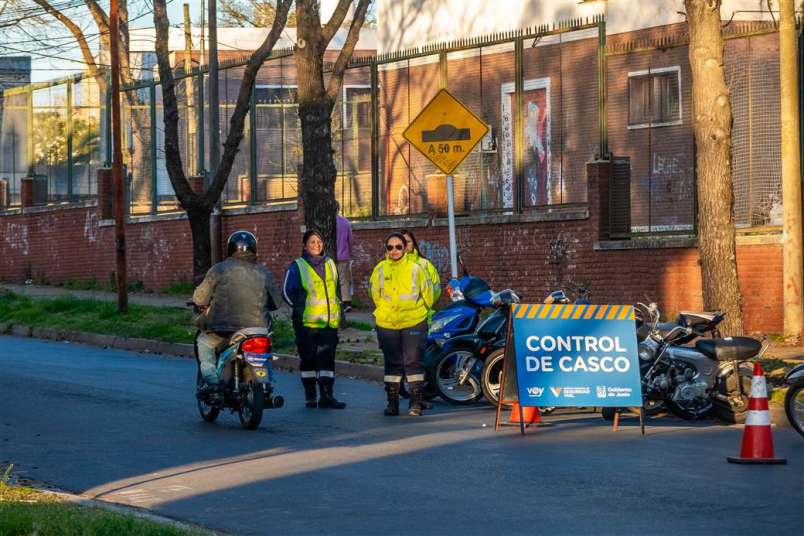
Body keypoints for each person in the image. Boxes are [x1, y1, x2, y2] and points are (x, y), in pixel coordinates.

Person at [192, 230, 278, 396]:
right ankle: (264, 384)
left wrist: (202, 304)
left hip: (223, 329)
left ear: (230, 249)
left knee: (204, 343)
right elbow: (277, 303)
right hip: (259, 329)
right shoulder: (264, 272)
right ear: (254, 249)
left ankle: (212, 381)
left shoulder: (219, 269)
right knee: (266, 348)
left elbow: (200, 297)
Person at [369, 232, 434, 416]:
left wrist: (419, 312)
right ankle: (392, 403)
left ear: (405, 248)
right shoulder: (380, 269)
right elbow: (375, 294)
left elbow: (428, 294)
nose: (394, 250)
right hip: (388, 324)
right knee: (392, 364)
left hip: (413, 322)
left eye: (398, 246)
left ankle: (415, 403)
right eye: (390, 247)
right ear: (386, 250)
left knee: (413, 363)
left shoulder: (416, 268)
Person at [283, 230, 346, 409]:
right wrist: (300, 309)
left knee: (327, 360)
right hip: (306, 324)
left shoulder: (331, 264)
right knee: (309, 359)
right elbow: (287, 292)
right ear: (305, 246)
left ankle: (327, 395)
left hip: (328, 322)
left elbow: (335, 290)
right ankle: (310, 396)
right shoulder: (297, 266)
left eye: (319, 241)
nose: (317, 245)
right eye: (312, 242)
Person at [336, 207, 354, 313]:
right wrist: (350, 252)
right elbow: (350, 239)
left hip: (330, 257)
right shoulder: (345, 222)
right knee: (344, 280)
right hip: (343, 256)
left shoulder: (326, 222)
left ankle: (335, 301)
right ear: (339, 209)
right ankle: (346, 303)